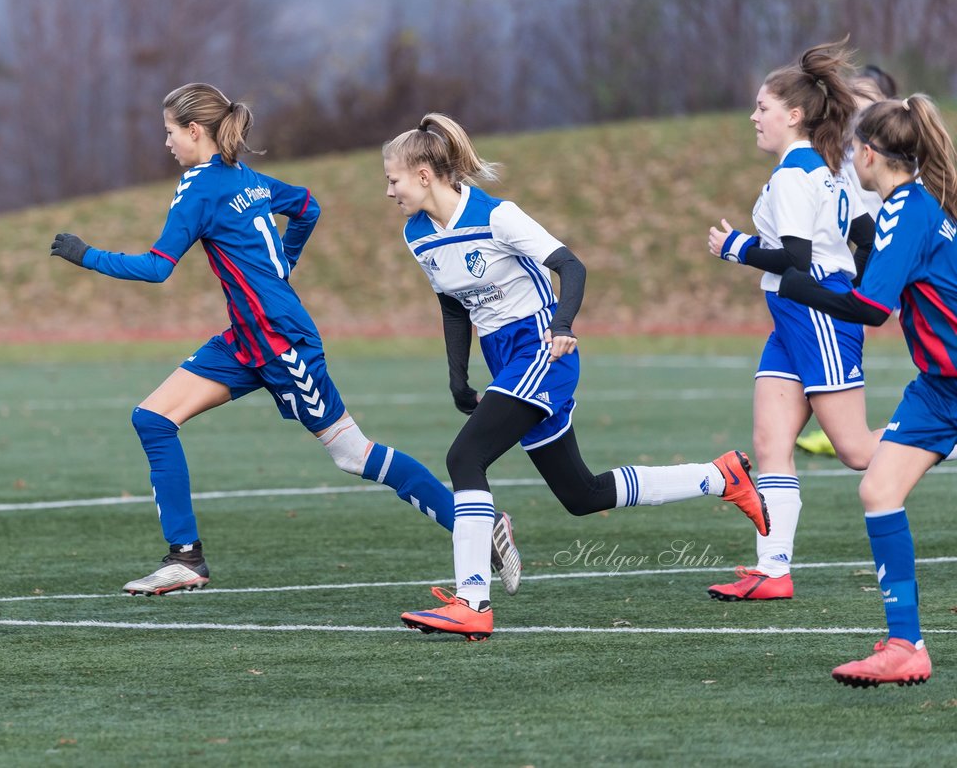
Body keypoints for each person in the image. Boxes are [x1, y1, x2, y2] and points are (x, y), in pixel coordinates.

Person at [49, 83, 522, 597]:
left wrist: (84, 254)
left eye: (169, 132)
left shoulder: (200, 188)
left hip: (282, 346)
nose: (166, 143)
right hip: (248, 339)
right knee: (153, 418)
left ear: (193, 131)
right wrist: (282, 270)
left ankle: (477, 525)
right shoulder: (245, 178)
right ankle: (185, 559)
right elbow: (307, 206)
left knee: (353, 454)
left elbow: (157, 268)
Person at [386, 113, 770, 641]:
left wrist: (563, 325)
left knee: (464, 457)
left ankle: (472, 600)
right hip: (505, 360)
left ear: (425, 174)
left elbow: (572, 266)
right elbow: (454, 306)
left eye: (394, 179)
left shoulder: (498, 217)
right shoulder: (417, 235)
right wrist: (458, 376)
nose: (389, 191)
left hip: (543, 349)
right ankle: (719, 476)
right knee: (580, 494)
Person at [777, 93, 957, 686]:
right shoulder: (905, 209)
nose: (851, 156)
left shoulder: (908, 212)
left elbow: (871, 308)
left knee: (878, 486)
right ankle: (906, 646)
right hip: (938, 388)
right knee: (878, 488)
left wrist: (790, 282)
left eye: (855, 146)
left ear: (871, 154)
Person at [706, 41, 882, 602]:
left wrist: (737, 246)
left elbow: (799, 260)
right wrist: (852, 277)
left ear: (794, 115)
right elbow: (862, 237)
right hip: (790, 317)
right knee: (771, 441)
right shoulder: (820, 169)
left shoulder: (796, 175)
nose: (754, 117)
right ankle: (773, 570)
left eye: (762, 107)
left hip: (815, 316)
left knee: (855, 450)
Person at [795, 65, 897, 457]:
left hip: (895, 257)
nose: (857, 116)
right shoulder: (838, 158)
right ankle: (840, 422)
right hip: (872, 258)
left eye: (866, 108)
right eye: (851, 108)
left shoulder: (902, 161)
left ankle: (850, 428)